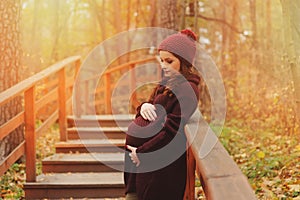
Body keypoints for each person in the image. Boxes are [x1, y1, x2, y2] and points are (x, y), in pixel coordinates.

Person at [124, 29, 200, 200]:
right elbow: (150, 105)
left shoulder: (188, 90)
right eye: (161, 60)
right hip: (142, 162)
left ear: (184, 61)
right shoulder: (166, 82)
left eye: (169, 61)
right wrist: (143, 106)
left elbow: (173, 130)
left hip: (160, 166)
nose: (163, 65)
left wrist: (142, 152)